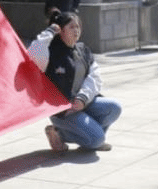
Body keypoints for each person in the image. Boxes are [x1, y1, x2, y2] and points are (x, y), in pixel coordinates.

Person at [27, 11, 121, 152]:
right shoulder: (51, 52)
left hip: (83, 103)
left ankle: (91, 137)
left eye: (78, 26)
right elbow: (32, 56)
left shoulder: (83, 50)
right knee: (97, 139)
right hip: (63, 112)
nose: (76, 30)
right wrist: (49, 31)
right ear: (61, 30)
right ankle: (60, 133)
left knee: (114, 107)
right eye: (71, 27)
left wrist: (83, 98)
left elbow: (94, 76)